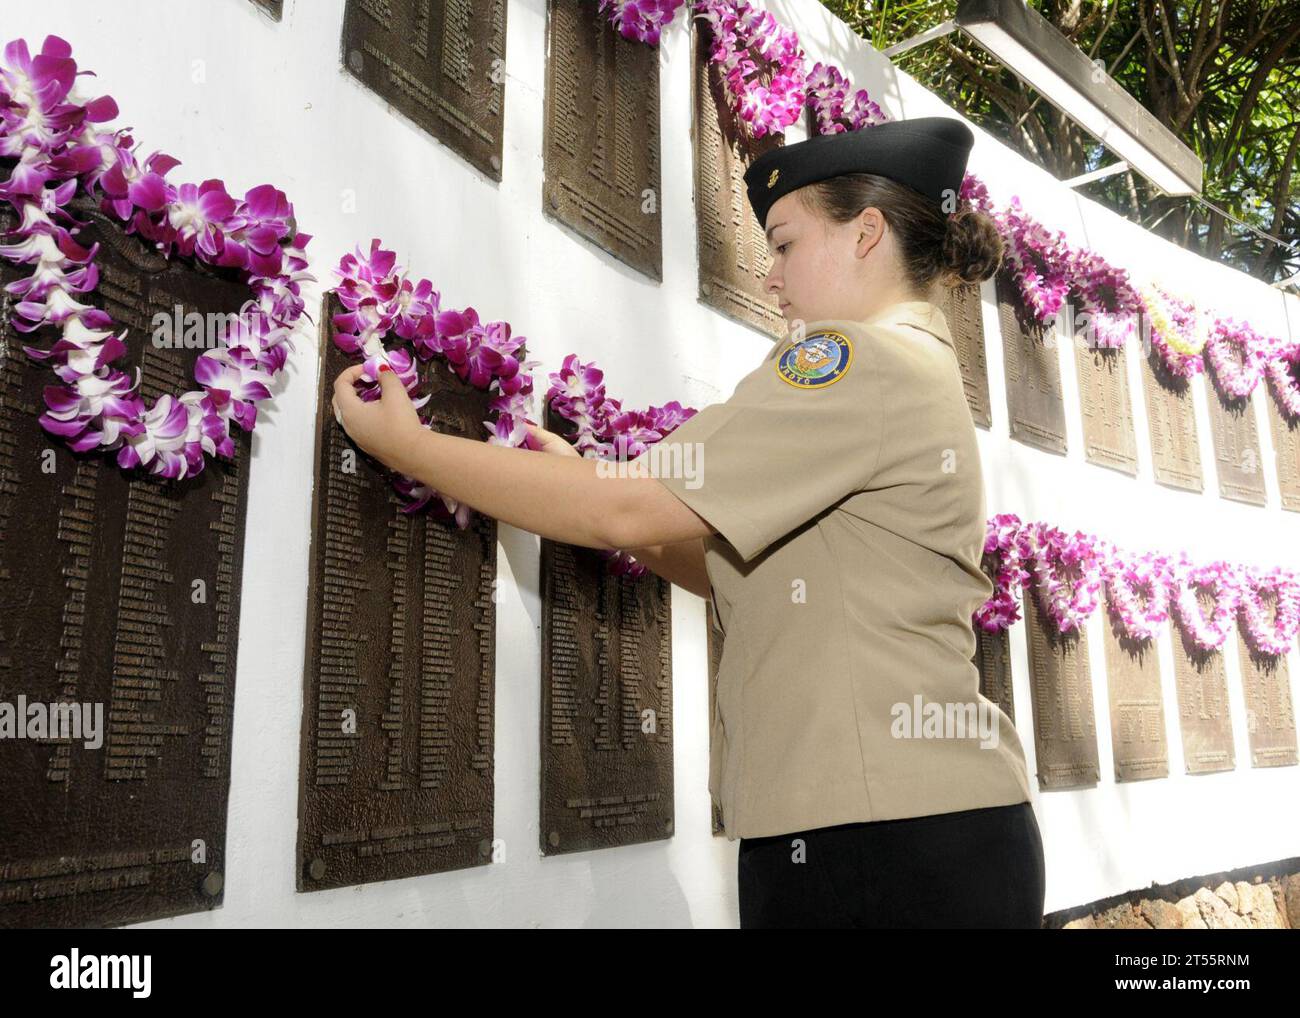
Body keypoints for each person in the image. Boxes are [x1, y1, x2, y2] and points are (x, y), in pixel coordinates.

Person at [332, 116, 1046, 930]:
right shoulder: (917, 370)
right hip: (908, 830)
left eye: (783, 244)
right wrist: (594, 492)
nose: (772, 278)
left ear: (867, 233)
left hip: (881, 844)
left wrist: (410, 444)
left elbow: (620, 506)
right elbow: (735, 573)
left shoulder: (859, 362)